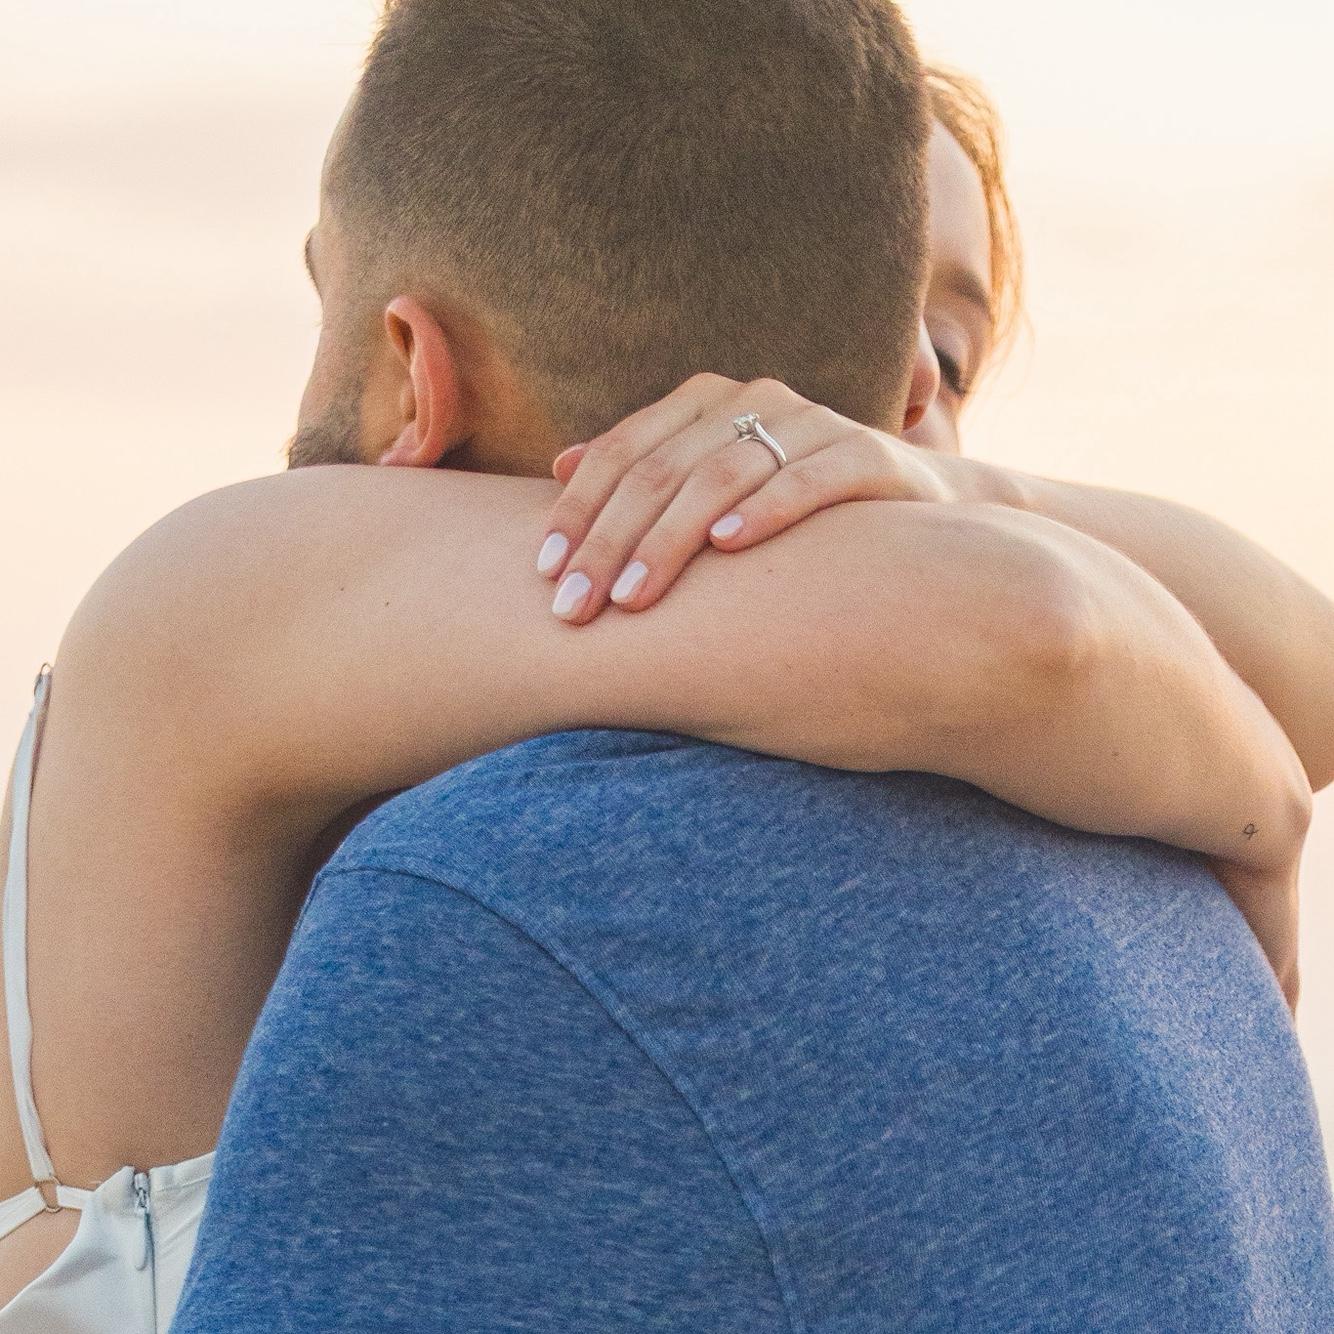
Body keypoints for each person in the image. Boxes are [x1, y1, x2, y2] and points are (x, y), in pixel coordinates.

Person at [0, 1, 1329, 1326]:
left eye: (948, 352)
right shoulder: (221, 605)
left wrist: (952, 486)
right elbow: (1032, 628)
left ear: (407, 363)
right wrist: (1253, 810)